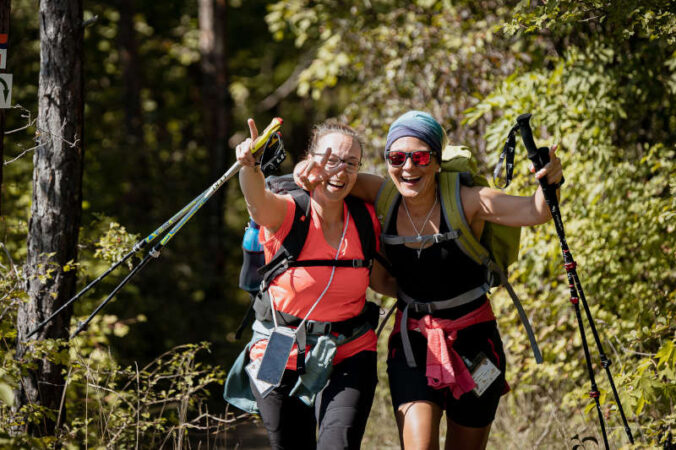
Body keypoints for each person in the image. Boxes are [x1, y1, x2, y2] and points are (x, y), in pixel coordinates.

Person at [295, 111, 563, 450]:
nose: (408, 167)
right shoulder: (383, 195)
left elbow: (535, 212)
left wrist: (549, 180)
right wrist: (300, 172)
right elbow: (332, 181)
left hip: (476, 343)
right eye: (397, 157)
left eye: (420, 156)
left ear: (437, 161)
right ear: (388, 161)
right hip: (413, 343)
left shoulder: (468, 201)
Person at [224, 118, 390, 450]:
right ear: (311, 160)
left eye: (351, 163)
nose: (341, 171)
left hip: (350, 350)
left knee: (338, 445)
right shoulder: (286, 213)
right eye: (331, 160)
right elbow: (257, 201)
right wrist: (250, 166)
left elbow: (405, 195)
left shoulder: (366, 218)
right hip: (277, 349)